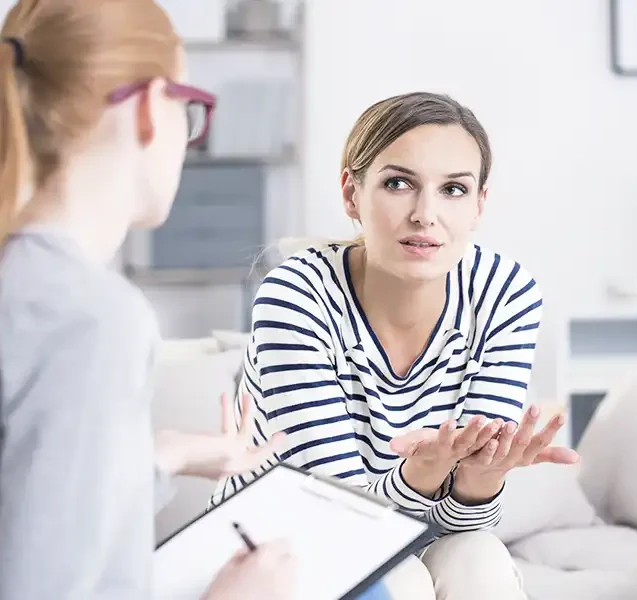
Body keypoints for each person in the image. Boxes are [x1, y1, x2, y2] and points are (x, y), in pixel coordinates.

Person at [211, 91, 581, 598]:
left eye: (453, 189)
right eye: (398, 184)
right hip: (276, 544)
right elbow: (340, 517)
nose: (425, 214)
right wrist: (424, 473)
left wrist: (479, 479)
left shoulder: (504, 293)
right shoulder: (296, 295)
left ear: (478, 205)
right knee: (400, 580)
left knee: (480, 559)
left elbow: (465, 521)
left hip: (406, 528)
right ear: (351, 195)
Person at [0, 1, 304, 598]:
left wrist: (161, 455)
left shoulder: (27, 287)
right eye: (190, 110)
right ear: (147, 107)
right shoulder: (92, 319)